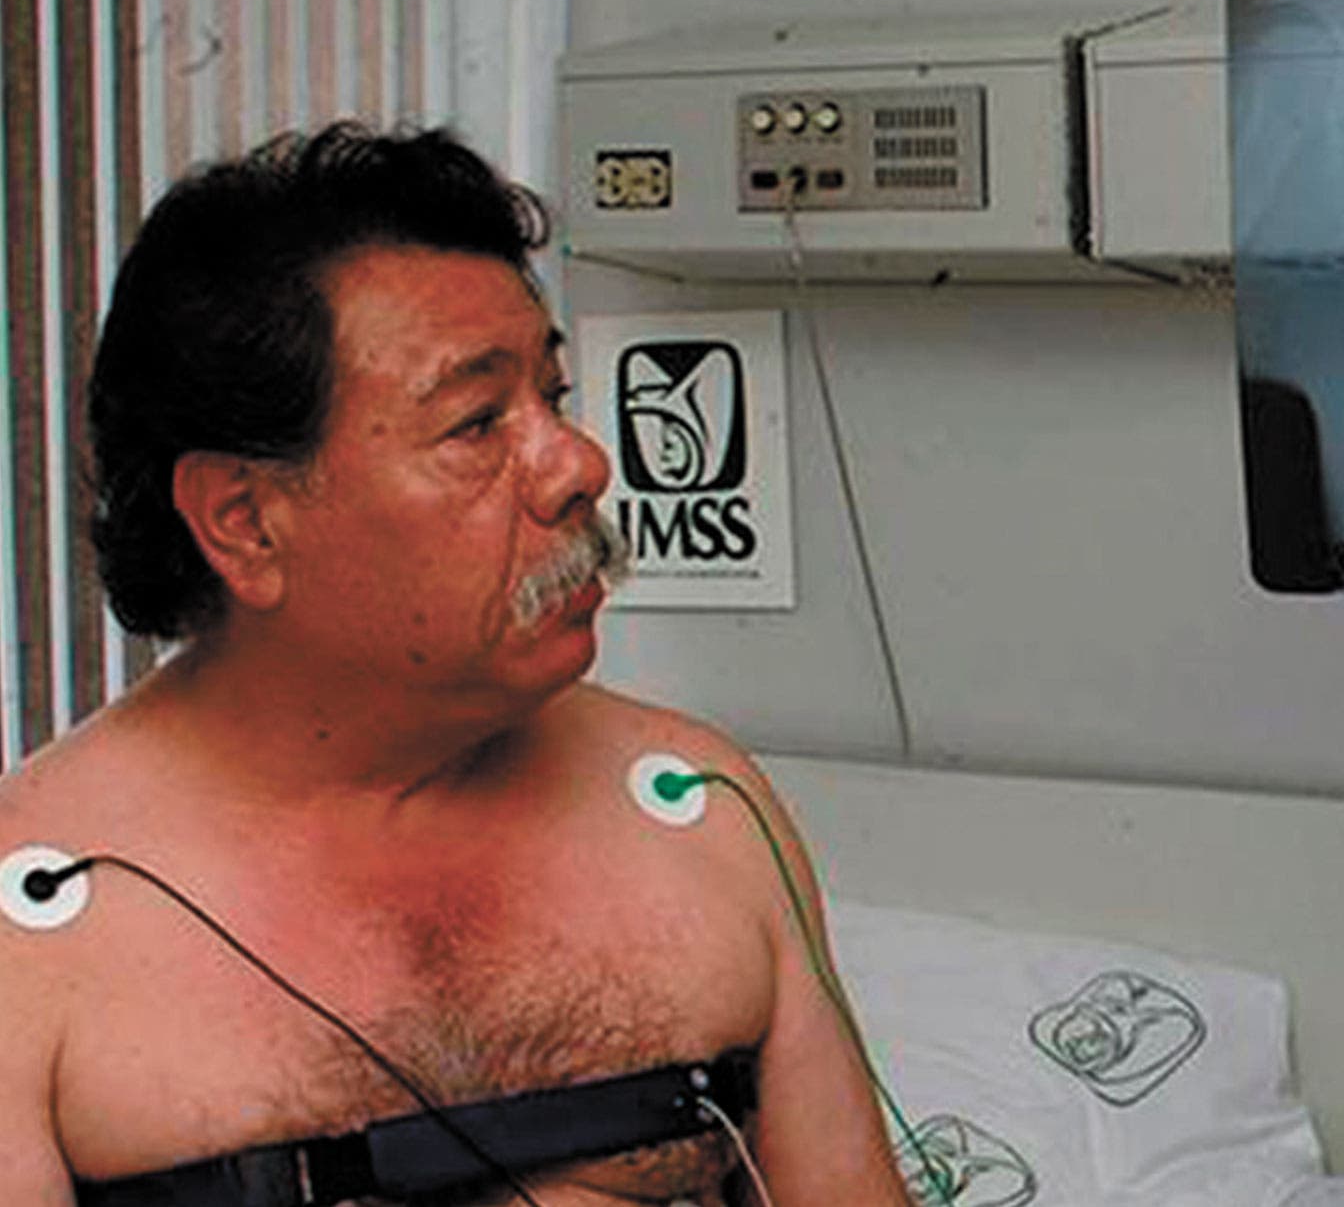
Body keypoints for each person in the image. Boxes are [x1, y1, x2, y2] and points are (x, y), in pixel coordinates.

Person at [0, 124, 911, 1206]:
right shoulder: (35, 940)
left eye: (552, 399)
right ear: (245, 520)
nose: (579, 465)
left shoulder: (698, 813)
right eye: (478, 423)